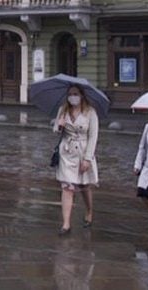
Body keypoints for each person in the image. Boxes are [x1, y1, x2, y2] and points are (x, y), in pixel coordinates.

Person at [53, 85, 99, 235]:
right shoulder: (63, 110)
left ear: (82, 95)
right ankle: (66, 223)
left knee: (84, 186)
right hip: (67, 152)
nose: (72, 97)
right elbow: (55, 131)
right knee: (67, 187)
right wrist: (59, 126)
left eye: (75, 94)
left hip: (83, 152)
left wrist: (87, 159)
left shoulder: (90, 112)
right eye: (70, 94)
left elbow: (93, 137)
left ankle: (89, 211)